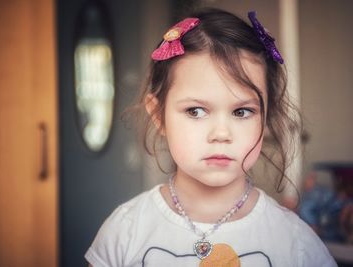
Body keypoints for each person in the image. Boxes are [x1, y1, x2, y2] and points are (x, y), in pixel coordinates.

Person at [85, 8, 337, 267]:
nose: (221, 134)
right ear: (158, 116)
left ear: (265, 116)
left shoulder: (296, 243)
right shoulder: (125, 230)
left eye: (242, 111)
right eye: (195, 111)